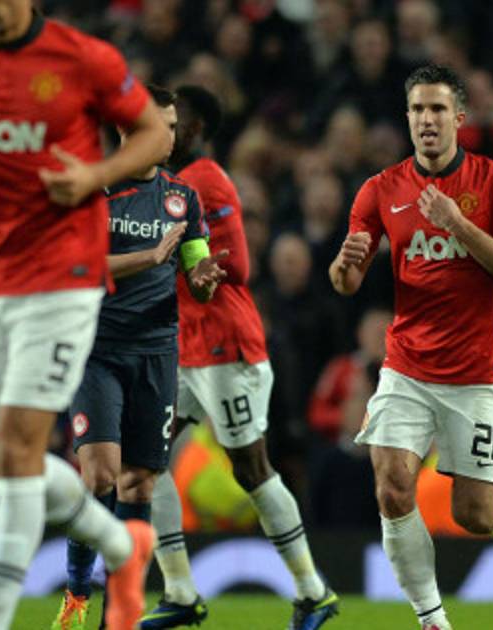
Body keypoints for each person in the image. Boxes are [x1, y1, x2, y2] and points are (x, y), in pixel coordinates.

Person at [0, 1, 170, 629]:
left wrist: (97, 175)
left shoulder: (82, 59)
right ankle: (121, 547)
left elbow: (154, 133)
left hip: (64, 279)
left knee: (20, 451)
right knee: (8, 462)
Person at [329, 64, 493, 630]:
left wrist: (458, 224)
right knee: (392, 484)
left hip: (477, 371)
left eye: (436, 109)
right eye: (416, 109)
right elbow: (346, 281)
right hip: (407, 365)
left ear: (459, 117)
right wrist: (343, 268)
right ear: (407, 118)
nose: (426, 120)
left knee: (475, 515)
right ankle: (432, 619)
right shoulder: (381, 189)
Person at [141, 85, 339, 630]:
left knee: (251, 469)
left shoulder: (207, 181)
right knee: (145, 458)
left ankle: (314, 591)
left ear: (196, 129)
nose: (161, 130)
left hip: (225, 346)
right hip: (184, 347)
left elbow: (238, 266)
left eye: (173, 121)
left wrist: (170, 260)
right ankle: (179, 591)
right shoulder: (163, 182)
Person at [51, 85, 226, 630]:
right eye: (160, 126)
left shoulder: (183, 198)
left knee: (140, 485)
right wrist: (149, 256)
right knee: (100, 476)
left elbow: (197, 275)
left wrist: (204, 278)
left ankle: (118, 615)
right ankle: (77, 590)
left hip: (156, 352)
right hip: (98, 349)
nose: (170, 136)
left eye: (174, 126)